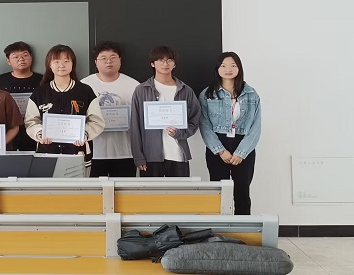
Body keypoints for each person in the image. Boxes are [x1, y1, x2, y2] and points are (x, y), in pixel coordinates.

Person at [199, 52, 261, 215]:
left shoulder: (251, 94)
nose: (228, 69)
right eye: (223, 66)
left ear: (239, 68)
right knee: (219, 192)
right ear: (217, 69)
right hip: (217, 146)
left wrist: (241, 153)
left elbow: (255, 127)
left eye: (233, 65)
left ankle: (242, 228)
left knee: (242, 192)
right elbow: (204, 125)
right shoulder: (207, 94)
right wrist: (220, 150)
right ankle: (219, 228)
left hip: (244, 145)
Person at [24, 44, 105, 164]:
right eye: (56, 61)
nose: (61, 65)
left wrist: (83, 134)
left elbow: (96, 121)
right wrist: (40, 134)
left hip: (77, 152)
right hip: (47, 153)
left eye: (66, 61)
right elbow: (31, 121)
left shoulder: (85, 91)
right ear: (49, 65)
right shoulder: (40, 92)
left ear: (73, 64)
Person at [130, 46, 200, 177]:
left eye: (169, 60)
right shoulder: (141, 90)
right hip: (150, 156)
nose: (165, 64)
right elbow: (135, 126)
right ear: (152, 63)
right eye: (161, 60)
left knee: (179, 191)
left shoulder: (185, 90)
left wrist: (180, 133)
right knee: (152, 191)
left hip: (178, 154)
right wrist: (138, 157)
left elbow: (194, 120)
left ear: (174, 64)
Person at [81, 41, 140, 177]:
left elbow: (141, 117)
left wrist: (134, 125)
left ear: (120, 61)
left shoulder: (134, 85)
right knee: (93, 190)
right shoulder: (84, 85)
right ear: (96, 62)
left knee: (124, 190)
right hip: (93, 153)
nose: (109, 61)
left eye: (113, 57)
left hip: (125, 151)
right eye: (103, 58)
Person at [0, 41, 43, 151]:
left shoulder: (43, 81)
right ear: (8, 61)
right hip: (8, 133)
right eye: (15, 57)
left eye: (25, 55)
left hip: (36, 132)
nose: (21, 59)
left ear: (31, 57)